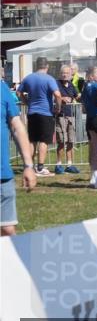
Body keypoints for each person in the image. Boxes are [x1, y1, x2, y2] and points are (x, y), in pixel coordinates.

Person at [2, 78, 37, 235]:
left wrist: (28, 166)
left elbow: (17, 127)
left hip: (2, 176)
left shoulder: (2, 89)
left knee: (7, 230)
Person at [18, 57, 61, 176]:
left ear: (36, 66)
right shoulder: (49, 79)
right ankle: (40, 168)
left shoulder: (28, 78)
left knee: (33, 140)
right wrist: (58, 107)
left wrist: (27, 102)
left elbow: (19, 92)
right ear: (47, 66)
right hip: (45, 113)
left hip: (32, 113)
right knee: (44, 140)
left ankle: (30, 167)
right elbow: (57, 95)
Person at [54, 65, 80, 174]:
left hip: (71, 115)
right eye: (63, 73)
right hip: (60, 115)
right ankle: (58, 165)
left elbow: (78, 96)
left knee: (70, 140)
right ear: (60, 74)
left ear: (71, 75)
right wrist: (61, 98)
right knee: (61, 141)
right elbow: (52, 95)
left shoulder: (71, 85)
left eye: (67, 73)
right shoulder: (56, 83)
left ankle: (69, 164)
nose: (65, 75)